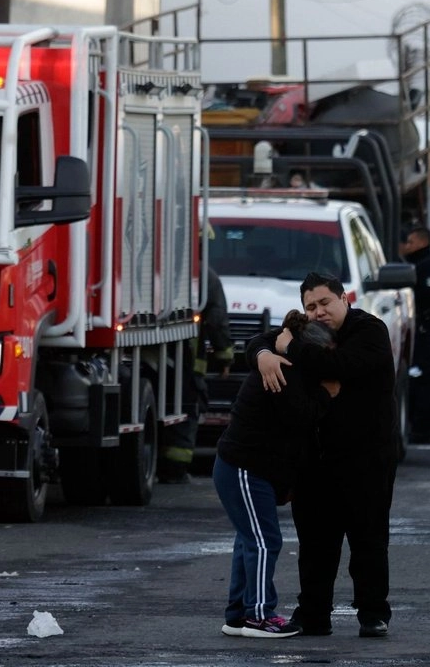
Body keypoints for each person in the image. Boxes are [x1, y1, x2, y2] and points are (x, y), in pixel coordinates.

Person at [252, 272, 398, 639]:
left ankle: (373, 614)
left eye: (324, 303)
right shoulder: (303, 334)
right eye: (310, 306)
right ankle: (314, 615)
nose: (318, 312)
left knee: (368, 540)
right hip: (316, 459)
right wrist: (265, 353)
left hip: (367, 458)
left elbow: (339, 366)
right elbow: (257, 342)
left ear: (344, 298)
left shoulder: (371, 331)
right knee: (316, 544)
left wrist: (289, 347)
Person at [215, 310, 337, 638]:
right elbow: (301, 416)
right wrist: (328, 393)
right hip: (244, 468)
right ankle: (259, 615)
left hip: (244, 468)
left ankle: (239, 614)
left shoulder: (282, 363)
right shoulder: (284, 373)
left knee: (250, 539)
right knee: (265, 541)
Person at [160, 267, 234, 484]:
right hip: (186, 360)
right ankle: (174, 470)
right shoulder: (204, 276)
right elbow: (217, 319)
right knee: (185, 408)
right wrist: (224, 357)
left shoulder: (155, 270)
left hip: (156, 355)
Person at [400, 225, 430, 443]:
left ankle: (423, 429)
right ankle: (417, 425)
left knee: (422, 376)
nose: (406, 246)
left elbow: (426, 298)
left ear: (421, 242)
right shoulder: (415, 265)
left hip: (424, 329)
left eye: (410, 242)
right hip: (418, 328)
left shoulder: (428, 267)